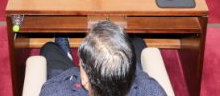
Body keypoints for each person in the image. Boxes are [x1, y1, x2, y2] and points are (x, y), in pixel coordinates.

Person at [38, 20, 166, 96]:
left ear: (85, 79)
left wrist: (73, 74)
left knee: (50, 48)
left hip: (71, 78)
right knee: (137, 42)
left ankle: (66, 54)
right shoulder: (153, 91)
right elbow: (141, 76)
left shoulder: (56, 92)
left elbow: (51, 85)